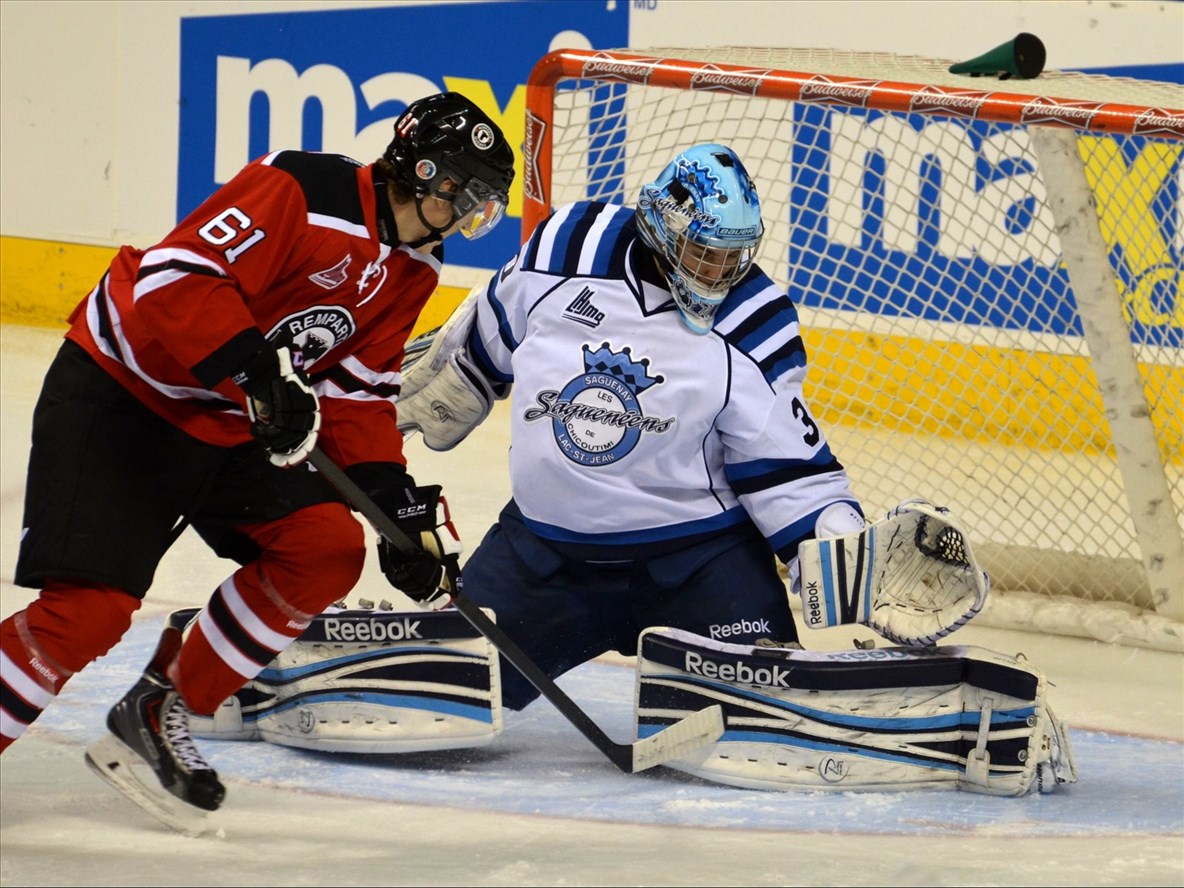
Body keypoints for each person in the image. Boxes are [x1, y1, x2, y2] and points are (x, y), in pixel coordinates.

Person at [0, 91, 514, 815]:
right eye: (465, 196)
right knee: (88, 614)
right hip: (127, 394)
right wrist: (258, 372)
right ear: (422, 170)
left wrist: (395, 509)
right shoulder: (301, 188)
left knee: (326, 548)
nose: (467, 218)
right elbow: (172, 279)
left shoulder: (416, 269)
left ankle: (161, 707)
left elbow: (357, 395)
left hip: (233, 417)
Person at [397, 143, 867, 712]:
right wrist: (410, 406)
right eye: (704, 252)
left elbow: (791, 475)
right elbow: (486, 340)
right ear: (664, 228)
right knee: (429, 694)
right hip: (541, 561)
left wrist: (850, 560)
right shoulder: (565, 246)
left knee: (762, 718)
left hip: (697, 568)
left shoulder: (754, 320)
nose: (720, 272)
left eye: (733, 256)